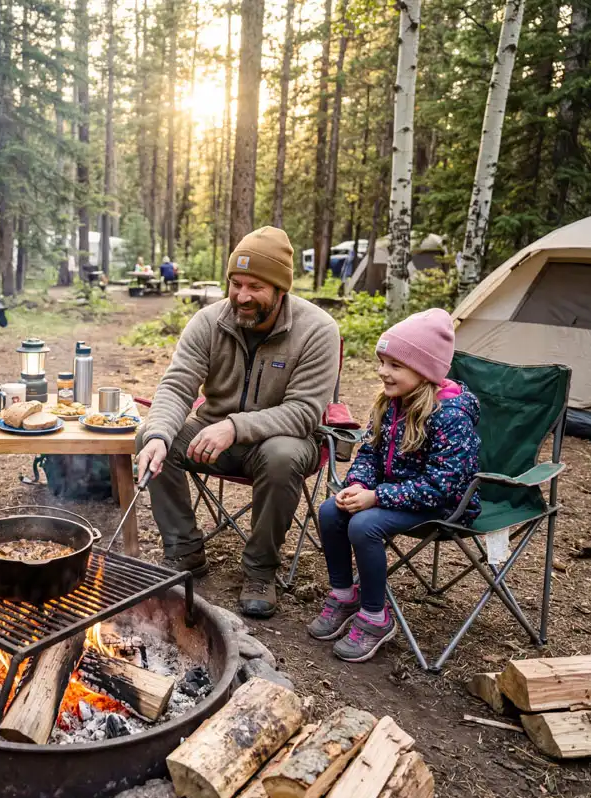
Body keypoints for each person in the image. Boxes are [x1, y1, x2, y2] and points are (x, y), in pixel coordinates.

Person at [136, 226, 340, 618]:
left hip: (281, 441)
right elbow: (177, 386)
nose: (242, 297)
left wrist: (234, 427)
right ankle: (184, 552)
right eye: (236, 283)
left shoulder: (317, 330)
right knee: (151, 434)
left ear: (281, 289)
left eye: (255, 287)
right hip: (210, 439)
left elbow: (304, 412)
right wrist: (160, 434)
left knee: (281, 455)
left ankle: (260, 570)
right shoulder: (208, 321)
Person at [308, 308, 480, 662]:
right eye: (382, 361)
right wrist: (358, 484)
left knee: (365, 525)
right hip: (394, 494)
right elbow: (370, 452)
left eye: (395, 365)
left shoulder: (451, 415)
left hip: (445, 505)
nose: (383, 371)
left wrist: (377, 497)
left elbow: (442, 485)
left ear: (425, 370)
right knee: (330, 511)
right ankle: (343, 594)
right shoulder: (390, 404)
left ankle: (375, 616)